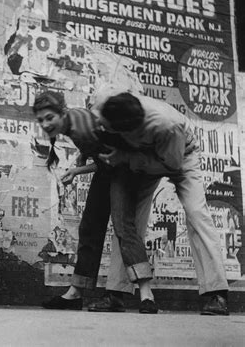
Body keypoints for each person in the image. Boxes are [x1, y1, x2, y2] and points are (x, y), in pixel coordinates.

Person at [92, 91, 229, 315]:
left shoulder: (167, 125)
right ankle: (116, 292)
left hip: (181, 156)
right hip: (142, 156)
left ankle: (217, 294)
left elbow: (172, 164)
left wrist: (127, 158)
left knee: (197, 214)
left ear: (134, 132)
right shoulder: (106, 107)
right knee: (127, 223)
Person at [33, 91, 158, 314]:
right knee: (90, 227)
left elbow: (112, 158)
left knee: (123, 226)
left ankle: (147, 294)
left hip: (123, 169)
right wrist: (82, 159)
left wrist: (78, 170)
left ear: (63, 113)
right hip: (108, 169)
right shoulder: (72, 123)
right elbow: (101, 158)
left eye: (49, 117)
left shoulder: (83, 126)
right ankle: (76, 292)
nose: (45, 124)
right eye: (41, 120)